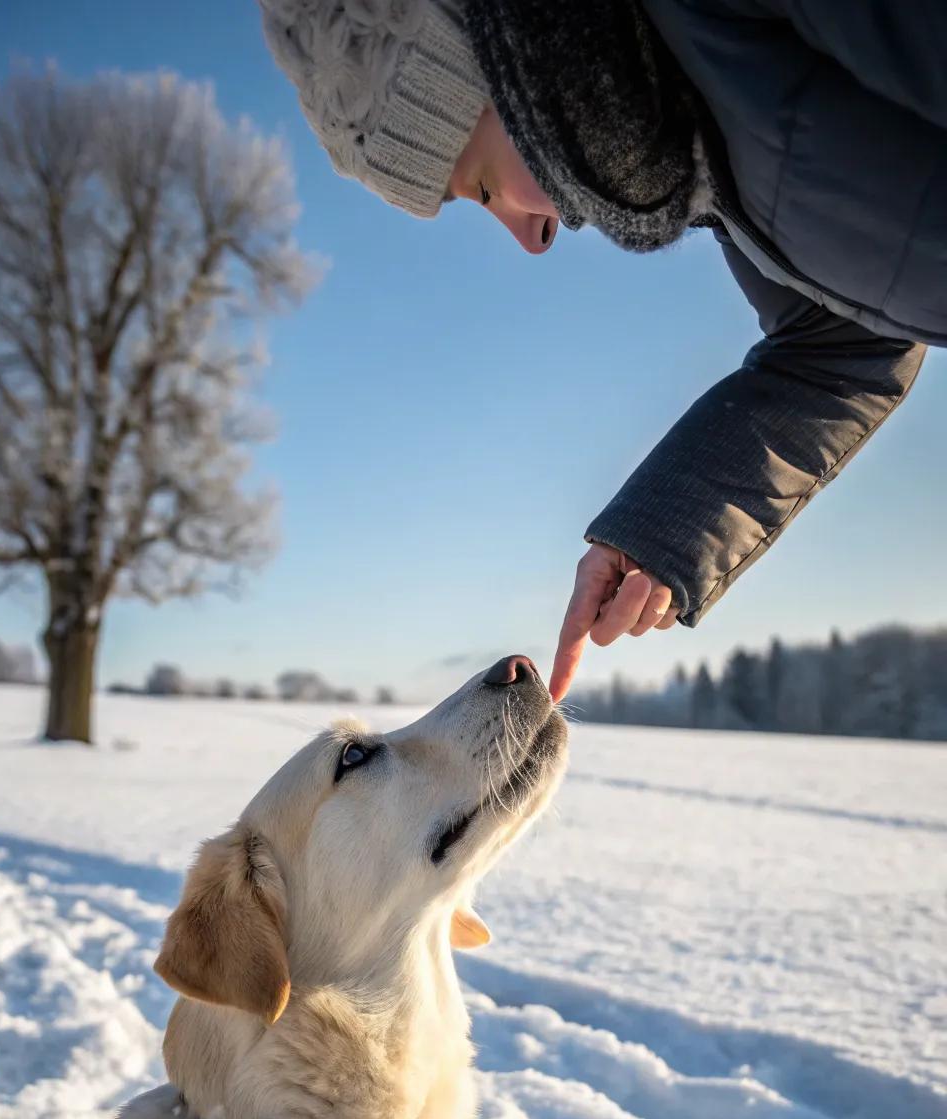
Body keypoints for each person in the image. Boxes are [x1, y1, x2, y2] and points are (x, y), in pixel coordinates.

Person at [258, 0, 944, 699]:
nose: (531, 239)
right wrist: (661, 529)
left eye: (487, 186)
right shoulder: (713, 166)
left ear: (520, 58)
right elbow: (846, 349)